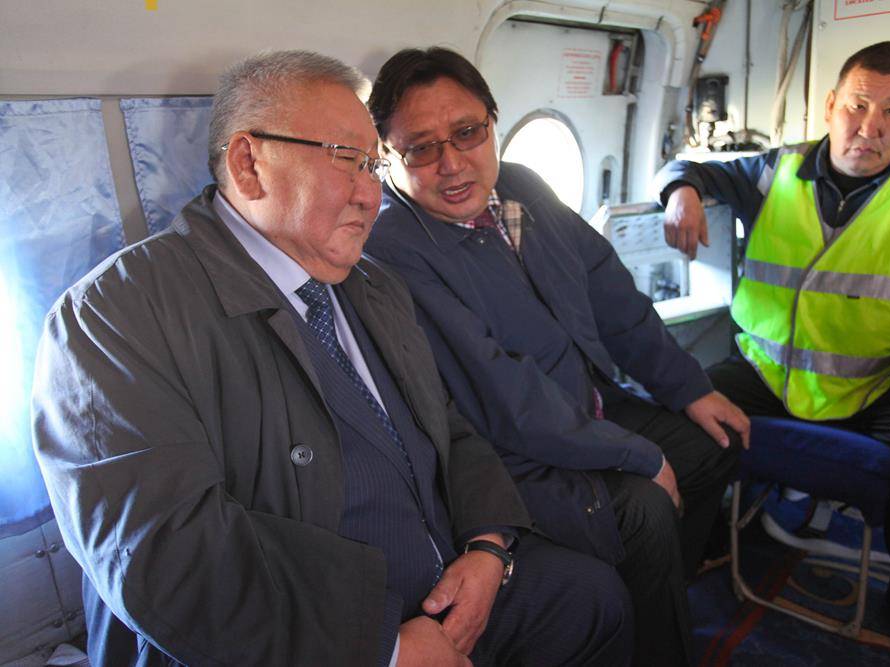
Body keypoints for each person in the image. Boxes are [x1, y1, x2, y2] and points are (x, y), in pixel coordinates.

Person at [31, 50, 635, 667]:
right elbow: (164, 557)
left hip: (445, 581)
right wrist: (385, 650)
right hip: (314, 637)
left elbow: (450, 429)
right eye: (348, 159)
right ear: (248, 165)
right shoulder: (113, 317)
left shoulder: (373, 284)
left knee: (595, 602)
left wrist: (488, 546)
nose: (371, 194)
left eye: (374, 165)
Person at [364, 47, 749, 666]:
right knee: (645, 509)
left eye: (467, 133)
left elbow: (610, 292)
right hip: (511, 455)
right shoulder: (393, 247)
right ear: (387, 154)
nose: (452, 163)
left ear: (493, 122)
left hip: (586, 407)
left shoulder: (521, 186)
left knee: (716, 442)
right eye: (421, 148)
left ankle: (663, 592)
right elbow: (503, 396)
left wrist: (689, 387)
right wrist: (640, 455)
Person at [658, 41, 890, 667]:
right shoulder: (776, 169)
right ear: (832, 103)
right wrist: (680, 190)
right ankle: (695, 548)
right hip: (764, 373)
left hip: (878, 385)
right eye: (858, 106)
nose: (870, 127)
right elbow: (689, 166)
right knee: (674, 414)